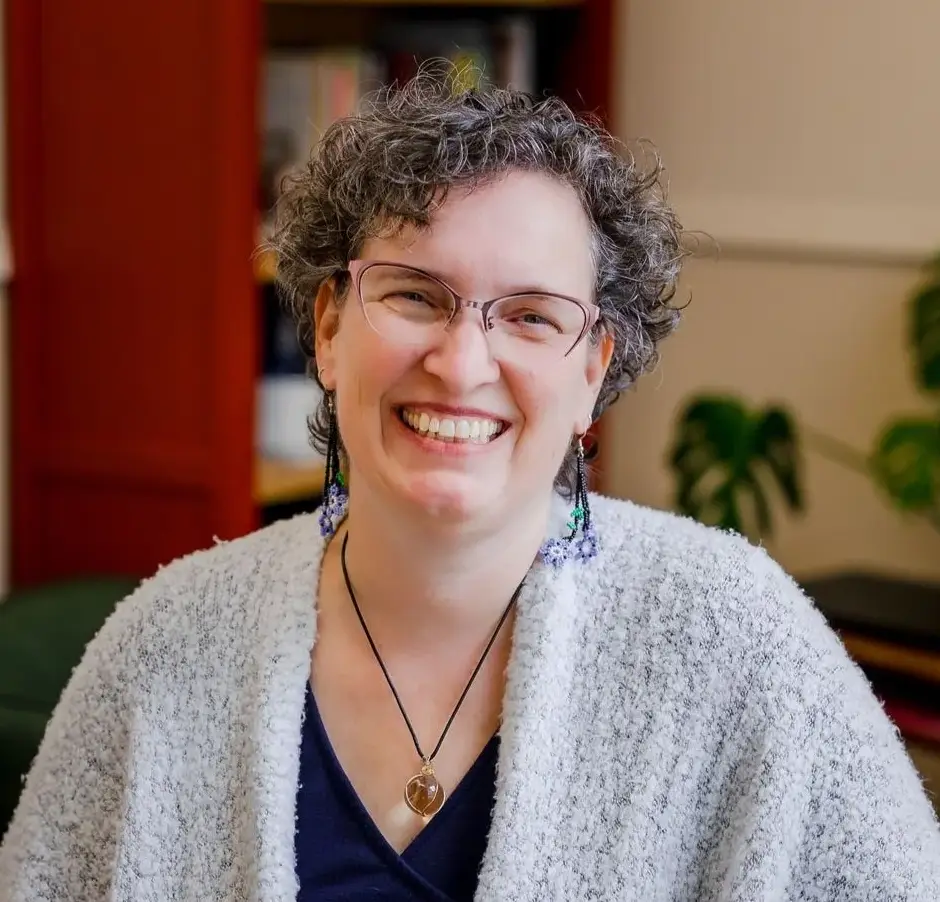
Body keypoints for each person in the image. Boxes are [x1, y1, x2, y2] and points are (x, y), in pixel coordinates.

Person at [2, 70, 939, 902]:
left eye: (531, 316)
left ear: (591, 371)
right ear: (329, 329)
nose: (461, 363)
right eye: (415, 294)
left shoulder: (740, 642)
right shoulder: (164, 647)